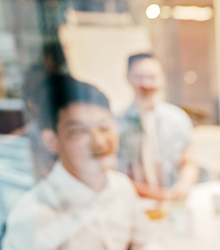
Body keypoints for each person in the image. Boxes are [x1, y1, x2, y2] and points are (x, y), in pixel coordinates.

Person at [2, 77, 159, 250]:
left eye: (104, 127)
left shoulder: (121, 186)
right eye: (79, 132)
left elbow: (145, 242)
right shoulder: (32, 216)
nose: (99, 142)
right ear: (52, 140)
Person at [117, 53, 198, 201]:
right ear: (128, 77)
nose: (146, 84)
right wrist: (157, 196)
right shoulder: (116, 125)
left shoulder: (177, 118)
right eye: (139, 77)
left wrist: (184, 185)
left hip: (173, 203)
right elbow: (114, 177)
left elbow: (188, 162)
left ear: (163, 79)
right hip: (135, 205)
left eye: (152, 77)